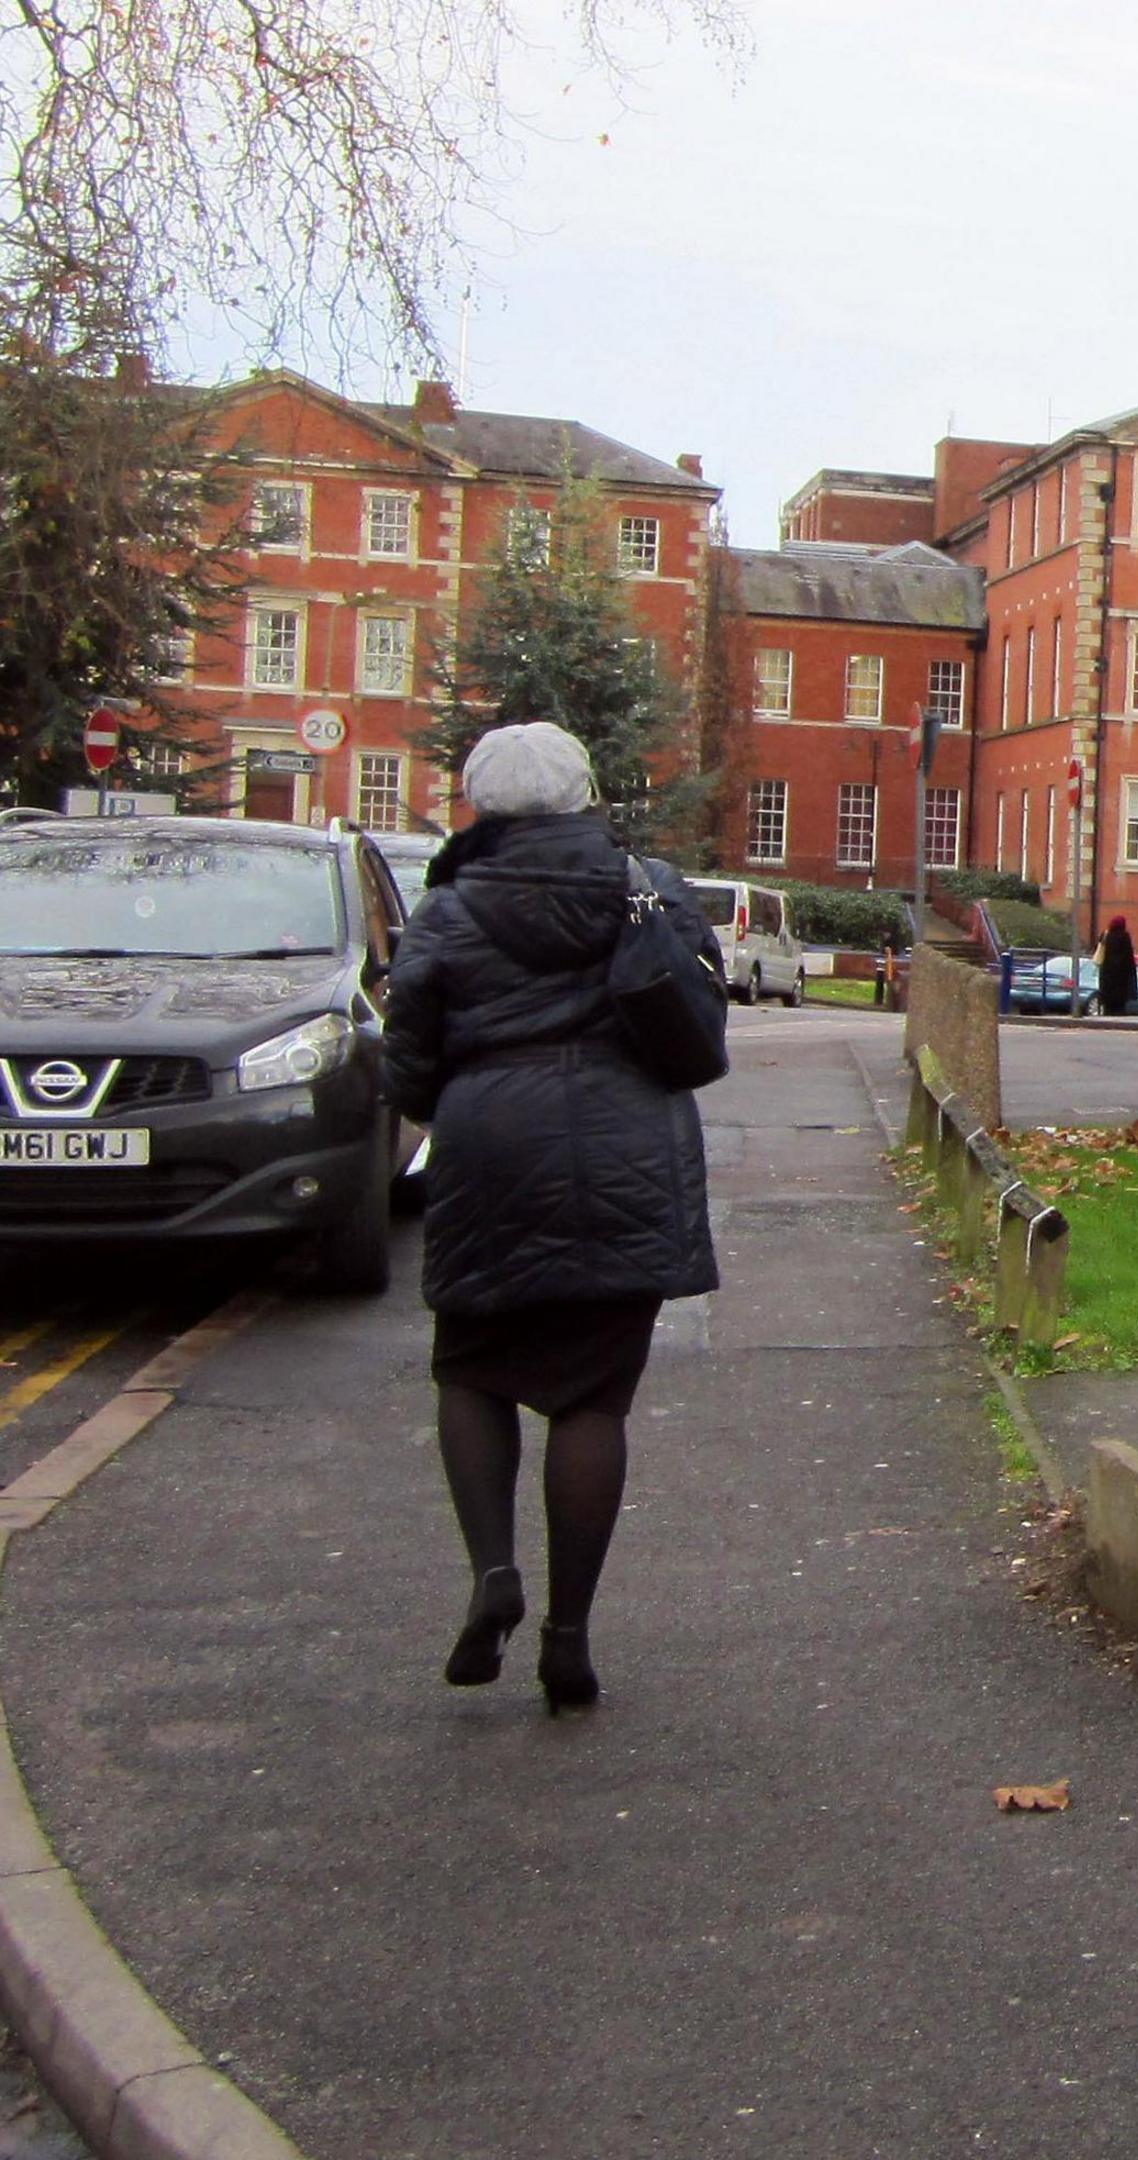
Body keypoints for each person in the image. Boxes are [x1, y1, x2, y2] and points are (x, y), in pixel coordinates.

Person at [381, 721, 724, 1713]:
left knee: (473, 1365)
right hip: (625, 1152)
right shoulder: (645, 880)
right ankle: (569, 1638)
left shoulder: (450, 906)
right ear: (581, 796)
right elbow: (698, 998)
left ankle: (494, 1574)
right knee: (592, 1399)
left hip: (490, 1149)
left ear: (483, 803)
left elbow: (409, 1061)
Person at [1096, 916, 1137, 1016]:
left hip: (1106, 972)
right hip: (1121, 974)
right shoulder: (1124, 936)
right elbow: (1128, 955)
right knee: (1119, 1003)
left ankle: (1107, 1013)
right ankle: (1118, 1013)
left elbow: (1098, 949)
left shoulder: (1105, 934)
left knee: (1108, 1000)